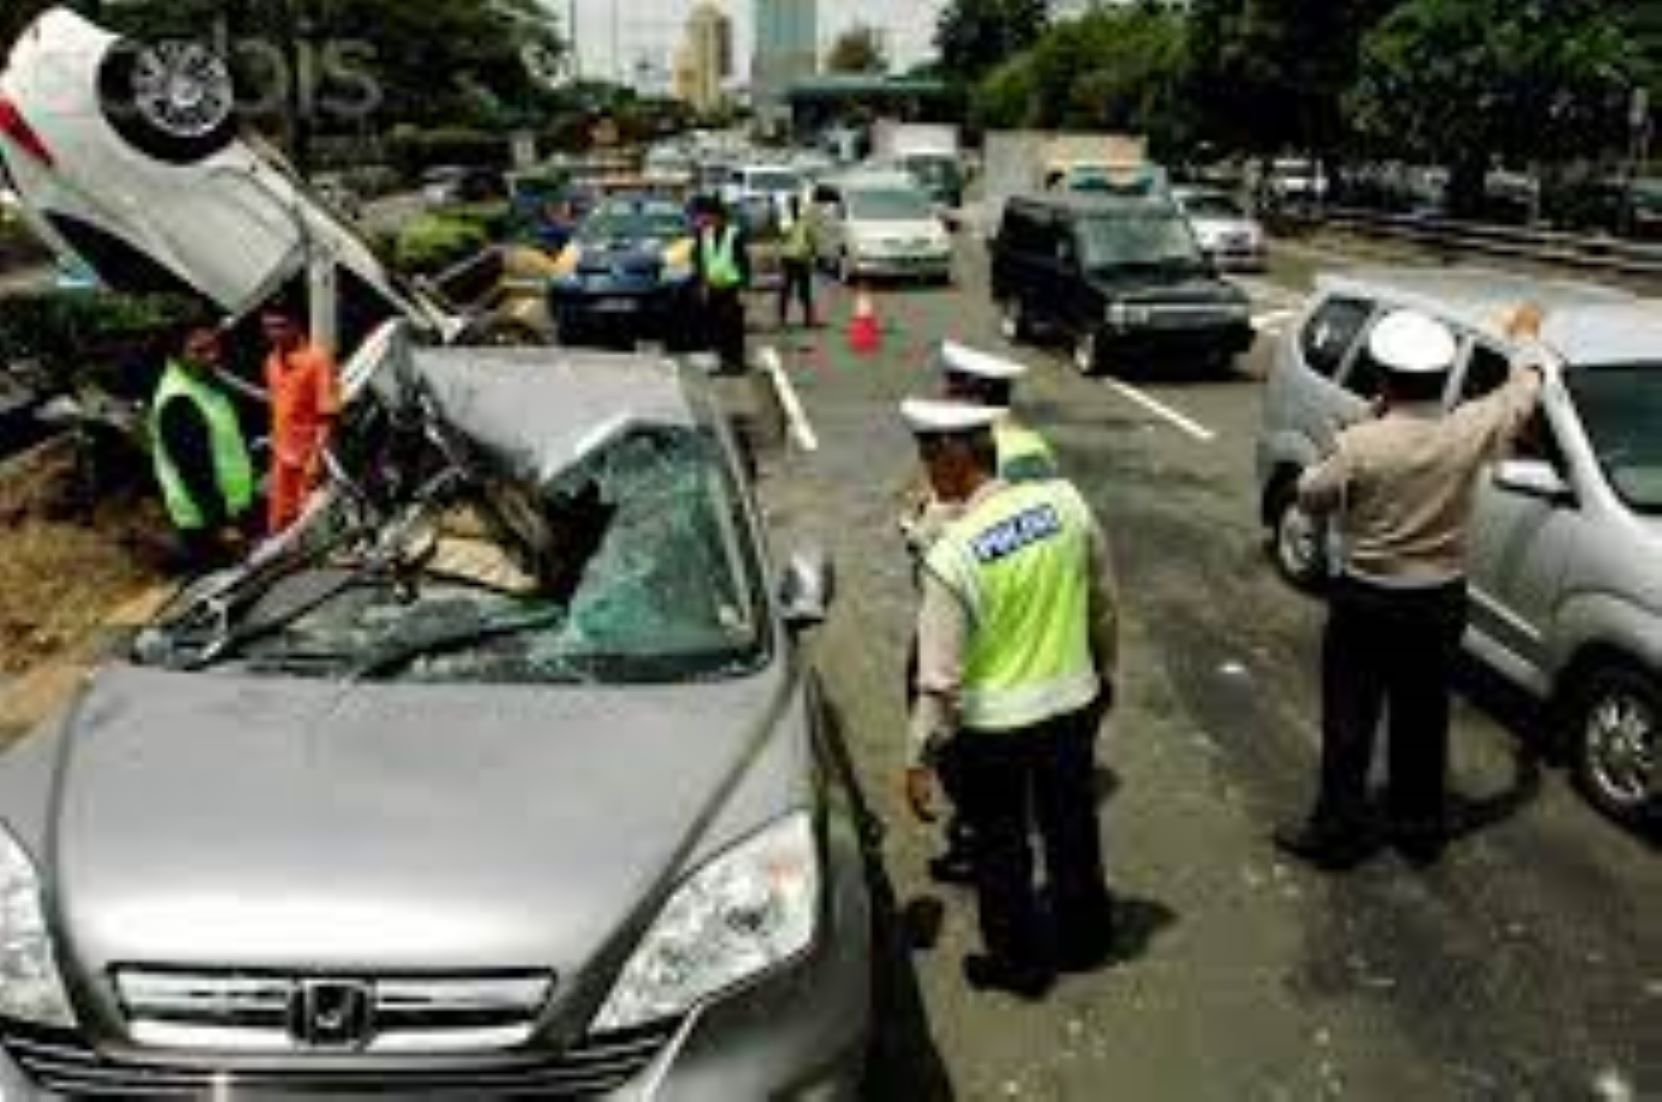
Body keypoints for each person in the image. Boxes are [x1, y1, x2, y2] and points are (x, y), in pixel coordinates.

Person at [1275, 304, 1552, 870]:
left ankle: (1337, 832)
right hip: (1439, 598)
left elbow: (1309, 496)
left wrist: (1344, 442)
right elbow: (1525, 387)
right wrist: (1525, 337)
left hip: (1368, 600)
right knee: (1422, 717)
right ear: (1441, 377)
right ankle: (1419, 829)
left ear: (1382, 379)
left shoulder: (1361, 444)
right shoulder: (1467, 428)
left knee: (1350, 720)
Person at [903, 398, 1120, 999]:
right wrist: (1105, 669)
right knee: (1072, 827)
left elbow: (938, 680)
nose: (925, 474)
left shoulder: (951, 556)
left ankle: (1020, 966)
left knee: (1002, 849)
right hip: (1072, 706)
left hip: (995, 730)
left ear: (953, 460)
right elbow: (1102, 600)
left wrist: (919, 759)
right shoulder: (1066, 504)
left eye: (927, 459)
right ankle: (1086, 938)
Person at [899, 342, 1060, 887]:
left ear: (969, 395)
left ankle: (976, 838)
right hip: (1015, 611)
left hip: (969, 611)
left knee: (957, 728)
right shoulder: (1026, 443)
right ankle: (981, 830)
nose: (943, 392)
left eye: (952, 385)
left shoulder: (985, 451)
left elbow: (962, 529)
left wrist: (920, 528)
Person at [150, 322, 256, 571]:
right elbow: (194, 470)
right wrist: (221, 525)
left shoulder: (204, 382)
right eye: (199, 351)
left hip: (231, 505)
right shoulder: (178, 400)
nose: (212, 356)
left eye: (214, 347)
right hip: (206, 521)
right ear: (176, 356)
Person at [261, 306, 342, 536]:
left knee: (309, 525)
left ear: (296, 325)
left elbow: (327, 415)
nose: (273, 333)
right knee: (279, 523)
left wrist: (317, 459)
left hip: (308, 457)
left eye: (280, 326)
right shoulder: (271, 362)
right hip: (281, 456)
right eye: (268, 327)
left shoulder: (318, 360)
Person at [691, 198, 751, 373]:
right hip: (712, 288)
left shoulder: (734, 234)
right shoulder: (703, 235)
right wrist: (701, 283)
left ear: (719, 217)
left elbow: (743, 262)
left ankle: (736, 363)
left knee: (732, 327)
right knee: (716, 328)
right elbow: (699, 261)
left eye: (709, 216)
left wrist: (744, 287)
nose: (706, 220)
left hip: (732, 288)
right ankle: (724, 363)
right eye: (705, 216)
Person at [777, 194, 817, 330]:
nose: (794, 207)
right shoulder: (785, 221)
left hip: (802, 260)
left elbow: (812, 239)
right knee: (785, 291)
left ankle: (808, 320)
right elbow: (781, 237)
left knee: (804, 292)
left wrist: (812, 254)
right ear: (789, 207)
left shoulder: (805, 221)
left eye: (796, 205)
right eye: (792, 205)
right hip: (788, 259)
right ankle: (782, 320)